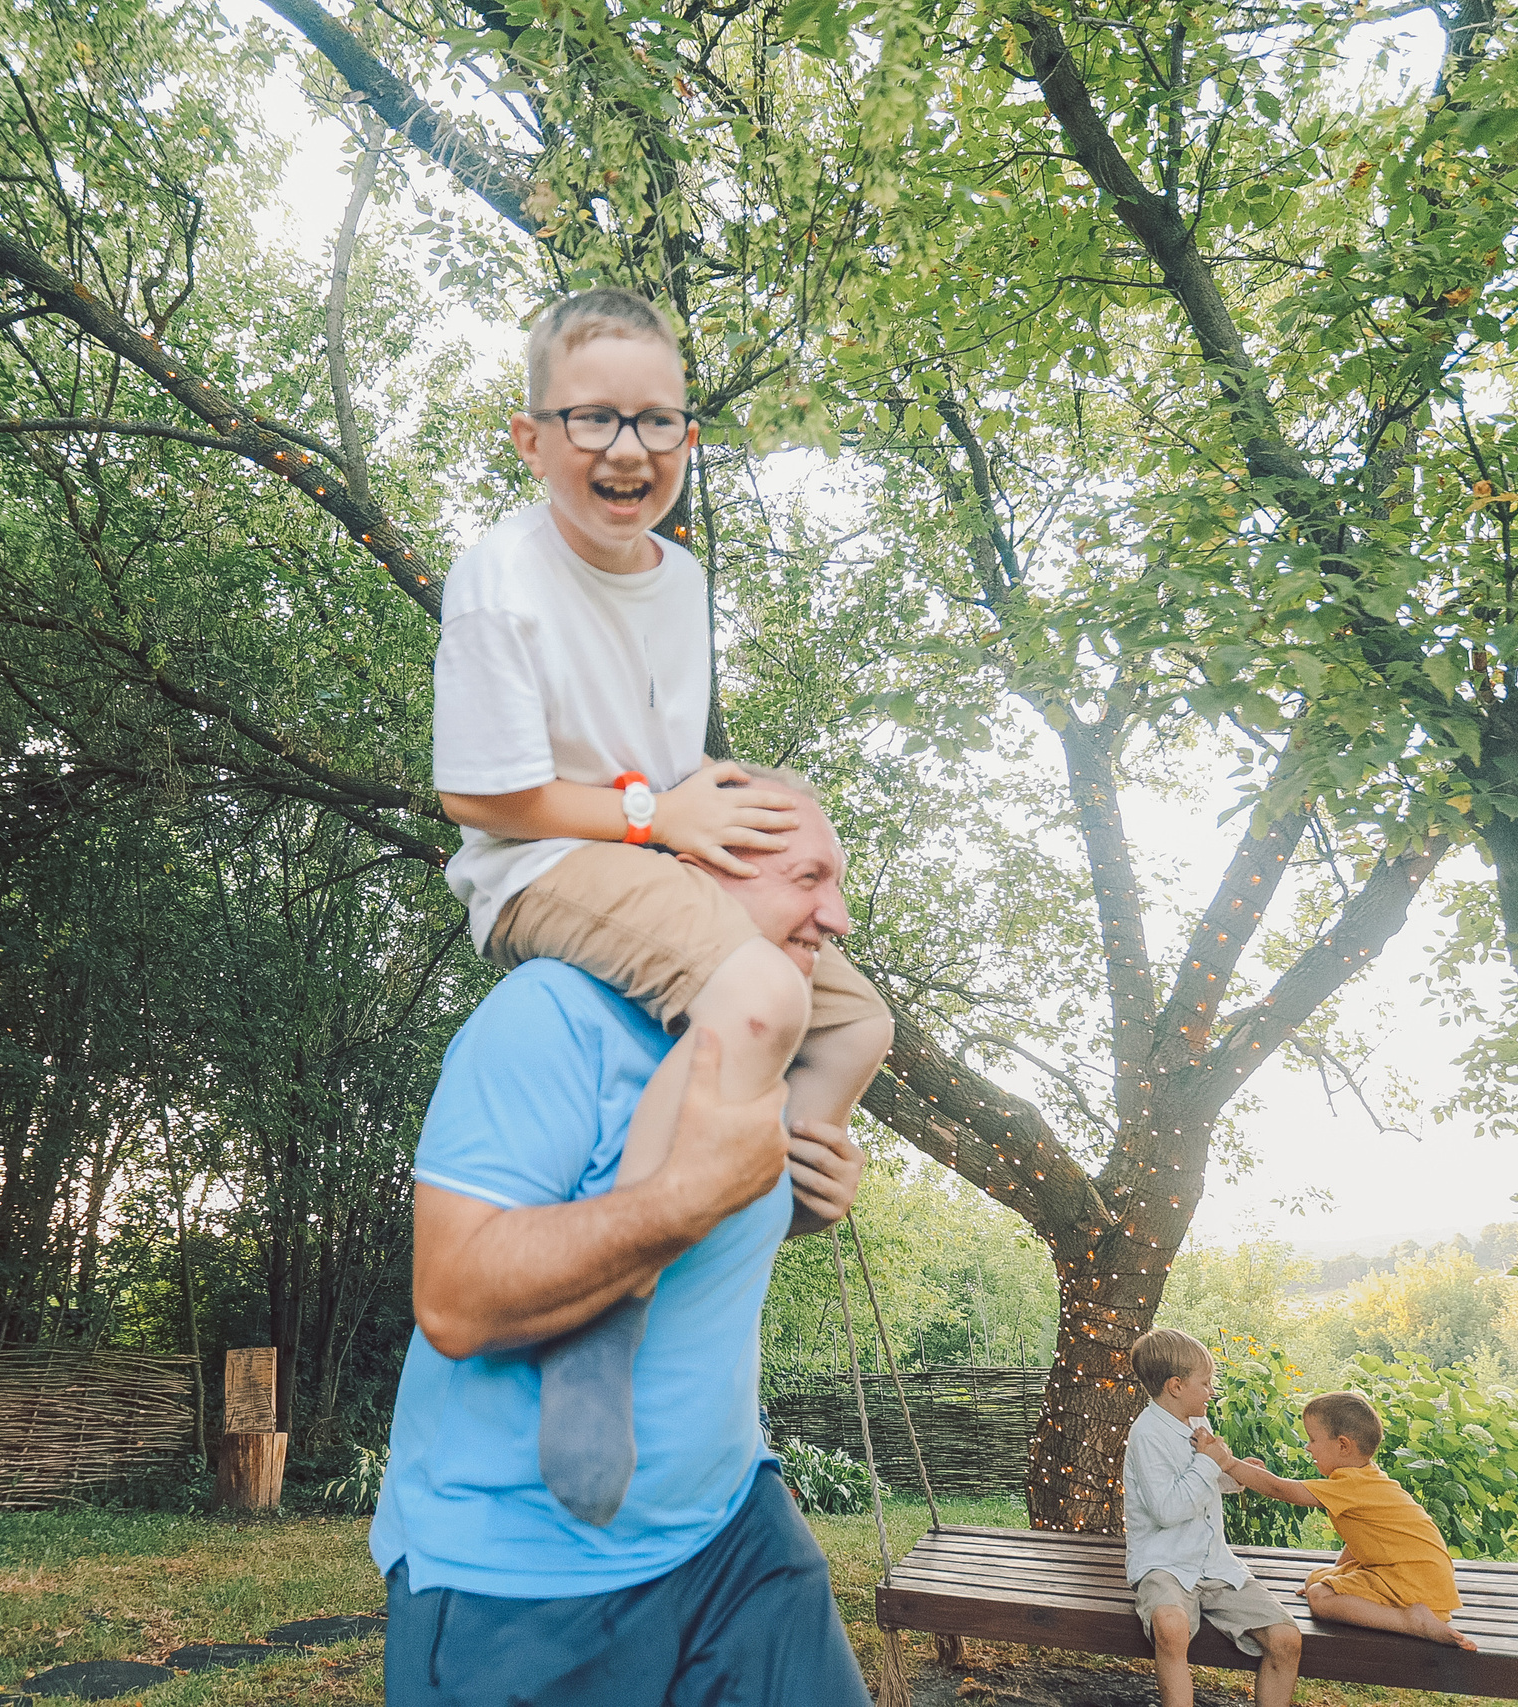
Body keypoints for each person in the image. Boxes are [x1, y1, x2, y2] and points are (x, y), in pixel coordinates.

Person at [432, 285, 893, 1525]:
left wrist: (750, 821)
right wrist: (659, 818)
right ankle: (605, 1313)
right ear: (531, 439)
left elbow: (669, 756)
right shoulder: (500, 579)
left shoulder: (679, 579)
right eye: (591, 420)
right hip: (542, 863)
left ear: (687, 441)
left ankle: (763, 1189)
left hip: (655, 848)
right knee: (753, 985)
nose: (625, 449)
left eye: (656, 422)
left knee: (855, 1020)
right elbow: (477, 791)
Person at [371, 787, 876, 1706]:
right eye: (808, 879)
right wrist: (677, 1203)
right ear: (694, 879)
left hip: (732, 1528)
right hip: (522, 1575)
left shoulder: (773, 1047)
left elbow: (715, 1233)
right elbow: (454, 1298)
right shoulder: (549, 1019)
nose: (836, 917)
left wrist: (801, 1203)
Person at [1194, 1390, 1478, 1651]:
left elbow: (1281, 1489)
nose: (1308, 1447)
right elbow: (1361, 1538)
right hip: (1422, 1572)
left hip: (1413, 1581)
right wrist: (1338, 1574)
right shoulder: (1368, 1478)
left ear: (1343, 1445)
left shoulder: (1349, 1485)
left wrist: (1228, 1463)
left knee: (1320, 1598)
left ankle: (1410, 1620)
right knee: (1317, 1579)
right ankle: (1407, 1612)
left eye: (1313, 1439)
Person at [1123, 1328, 1302, 1707]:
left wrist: (1230, 1474)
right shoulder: (1147, 1434)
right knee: (1171, 1627)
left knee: (1287, 1639)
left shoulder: (1194, 1426)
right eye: (1205, 1383)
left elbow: (1196, 1482)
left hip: (1215, 1566)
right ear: (1175, 1385)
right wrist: (1208, 1463)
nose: (1211, 1391)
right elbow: (1167, 1509)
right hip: (1165, 1564)